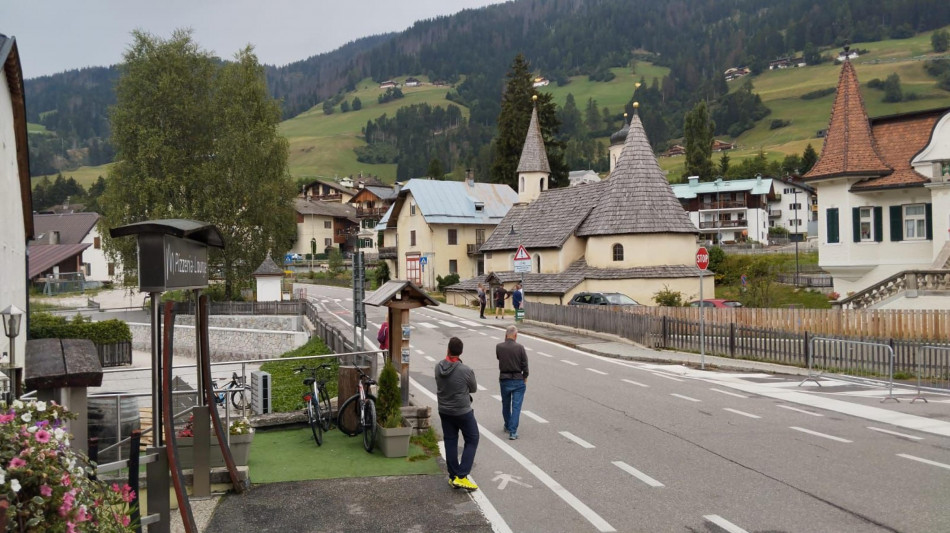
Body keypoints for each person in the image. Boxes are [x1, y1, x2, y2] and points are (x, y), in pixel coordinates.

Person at [435, 337, 480, 491]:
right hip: (462, 411)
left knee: (450, 441)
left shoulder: (438, 367)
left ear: (448, 349)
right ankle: (462, 476)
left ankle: (453, 476)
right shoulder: (466, 370)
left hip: (444, 410)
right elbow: (473, 388)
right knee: (472, 438)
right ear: (460, 352)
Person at [496, 325, 528, 440]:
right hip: (518, 379)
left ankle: (507, 425)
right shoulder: (520, 348)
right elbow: (525, 365)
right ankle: (513, 432)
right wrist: (525, 376)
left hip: (504, 379)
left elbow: (499, 358)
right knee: (516, 406)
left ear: (505, 335)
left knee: (505, 404)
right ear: (515, 335)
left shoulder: (499, 347)